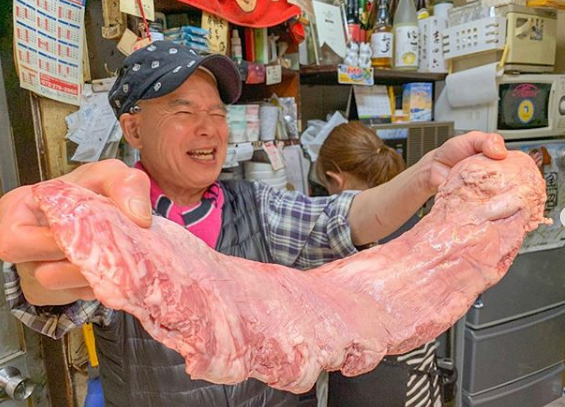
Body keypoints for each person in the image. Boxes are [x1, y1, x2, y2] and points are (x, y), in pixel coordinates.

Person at [0, 41, 509, 407]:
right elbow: (54, 294)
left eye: (217, 112)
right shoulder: (119, 224)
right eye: (183, 110)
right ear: (133, 126)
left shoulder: (257, 207)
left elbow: (348, 219)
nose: (208, 128)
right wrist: (39, 270)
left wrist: (426, 174)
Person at [316, 121, 442, 407]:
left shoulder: (348, 248)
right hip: (421, 380)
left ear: (336, 181)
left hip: (372, 388)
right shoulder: (416, 221)